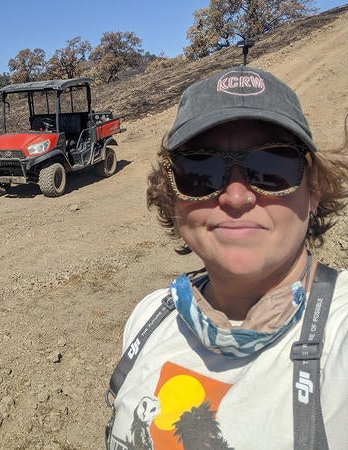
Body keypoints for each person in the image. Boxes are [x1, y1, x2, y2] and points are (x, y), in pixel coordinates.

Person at [105, 65, 348, 450]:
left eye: (272, 167)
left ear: (313, 189)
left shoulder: (340, 335)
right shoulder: (150, 317)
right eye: (200, 170)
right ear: (171, 197)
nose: (236, 197)